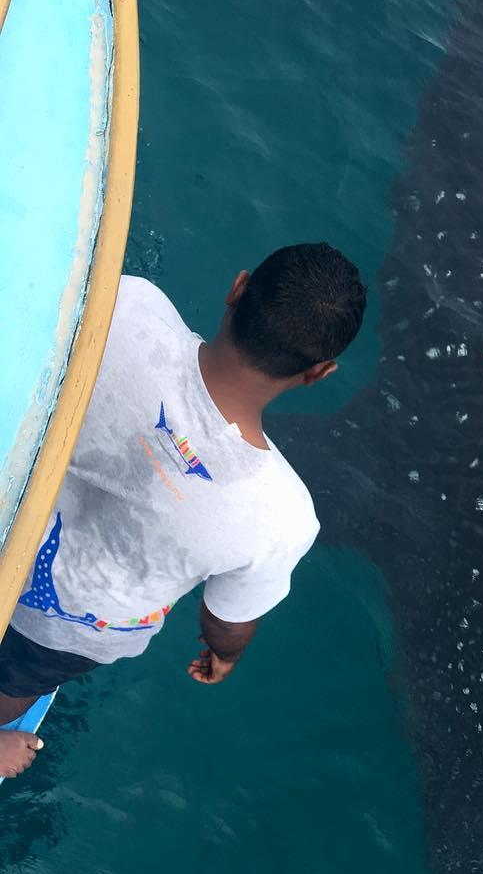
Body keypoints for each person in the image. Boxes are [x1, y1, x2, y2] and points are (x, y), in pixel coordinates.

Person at [0, 242, 366, 777]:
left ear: (238, 288)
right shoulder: (282, 517)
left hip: (10, 522)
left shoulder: (127, 304)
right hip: (67, 625)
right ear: (320, 372)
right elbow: (227, 619)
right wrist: (224, 655)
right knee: (15, 683)